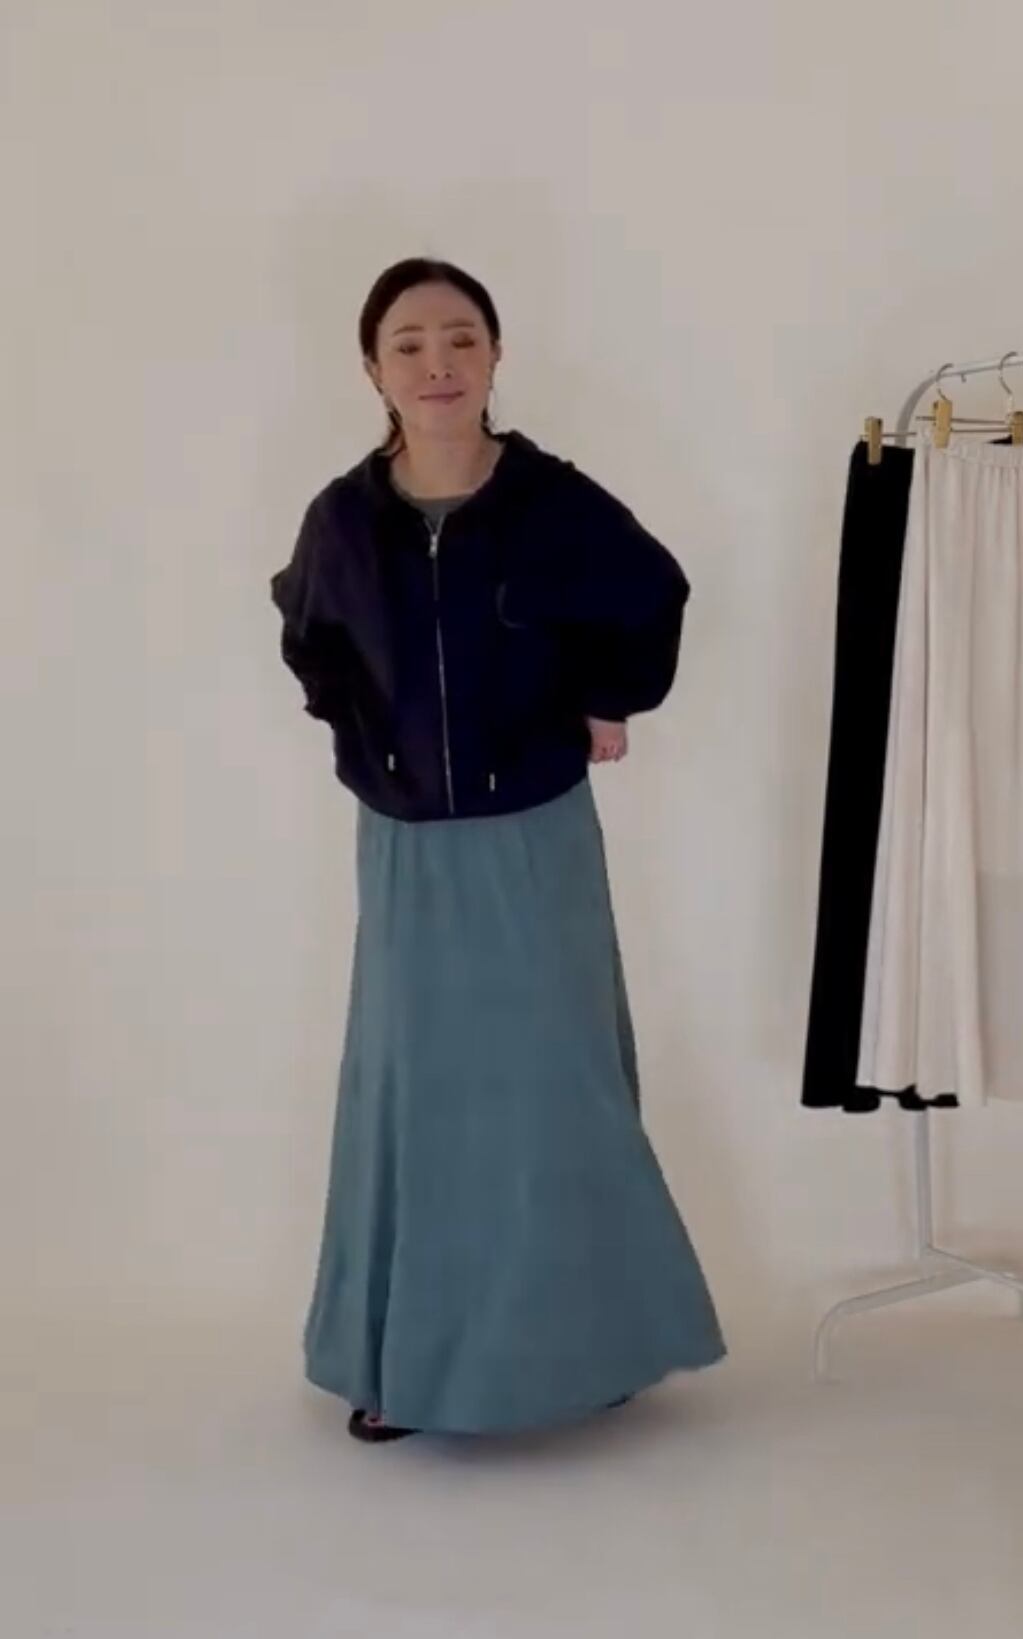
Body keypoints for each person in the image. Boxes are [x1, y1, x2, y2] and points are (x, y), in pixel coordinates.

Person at [271, 258, 725, 1442]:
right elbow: (309, 635)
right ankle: (404, 1362)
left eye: (461, 337)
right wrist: (369, 739)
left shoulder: (553, 502)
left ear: (495, 355)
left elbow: (653, 593)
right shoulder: (342, 519)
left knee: (556, 1082)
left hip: (534, 831)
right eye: (410, 343)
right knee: (416, 1088)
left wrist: (608, 697)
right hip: (408, 845)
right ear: (373, 368)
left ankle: (595, 1343)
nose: (439, 363)